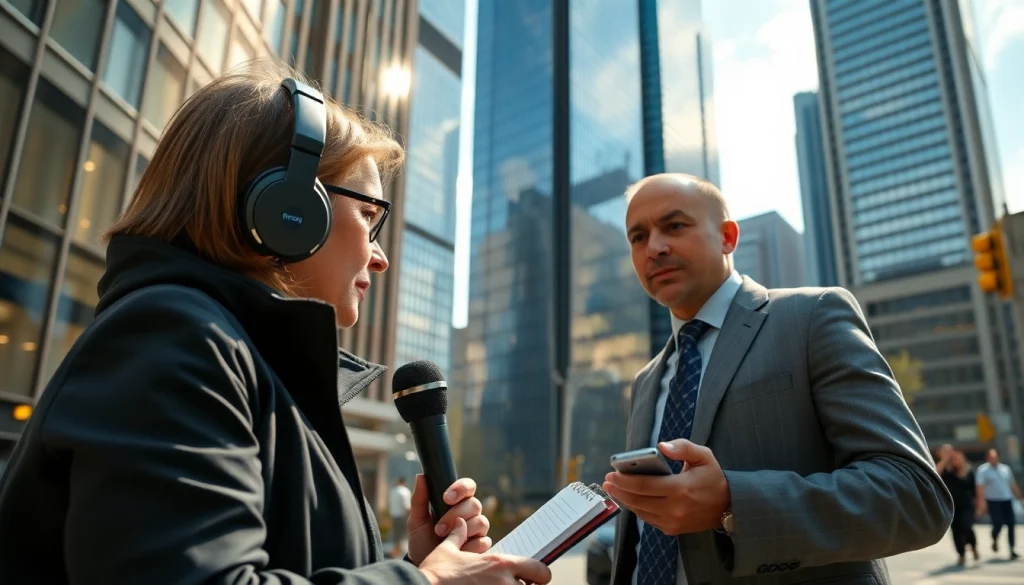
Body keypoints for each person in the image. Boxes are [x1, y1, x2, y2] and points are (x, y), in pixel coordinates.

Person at [0, 60, 550, 585]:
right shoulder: (171, 339)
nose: (380, 259)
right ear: (288, 209)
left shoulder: (234, 358)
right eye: (368, 216)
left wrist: (417, 564)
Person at [602, 173, 954, 584]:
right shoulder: (646, 380)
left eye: (674, 226)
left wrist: (732, 505)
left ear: (728, 237)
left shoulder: (813, 317)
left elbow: (916, 497)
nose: (655, 248)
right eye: (638, 237)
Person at [976, 448, 1022, 559]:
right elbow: (980, 488)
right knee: (998, 523)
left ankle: (1012, 549)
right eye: (991, 457)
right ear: (987, 458)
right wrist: (981, 503)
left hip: (1007, 499)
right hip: (993, 501)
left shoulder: (1005, 469)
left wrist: (1019, 497)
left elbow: (1012, 484)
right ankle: (995, 538)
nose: (993, 459)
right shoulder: (983, 470)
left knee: (1011, 523)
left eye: (995, 457)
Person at [938, 448, 979, 565]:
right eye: (954, 458)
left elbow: (975, 490)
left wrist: (979, 504)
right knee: (956, 531)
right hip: (952, 506)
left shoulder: (969, 471)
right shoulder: (948, 471)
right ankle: (961, 554)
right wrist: (945, 459)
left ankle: (974, 547)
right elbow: (936, 472)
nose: (956, 460)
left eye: (957, 458)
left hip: (967, 506)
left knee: (967, 527)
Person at [391, 477, 413, 558]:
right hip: (402, 516)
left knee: (396, 535)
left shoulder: (393, 491)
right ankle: (400, 555)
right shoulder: (405, 491)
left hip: (394, 515)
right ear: (404, 482)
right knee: (403, 535)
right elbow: (406, 506)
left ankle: (395, 553)